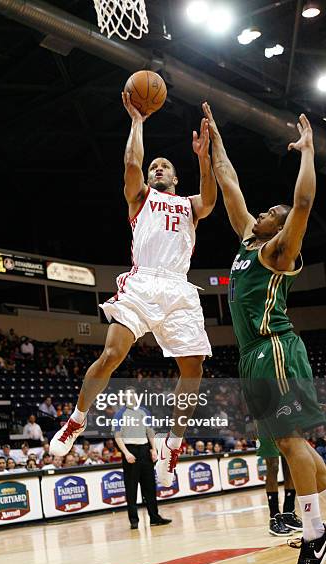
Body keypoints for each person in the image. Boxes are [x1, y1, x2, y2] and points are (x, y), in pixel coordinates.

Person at [50, 93, 217, 488]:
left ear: (174, 178)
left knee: (193, 368)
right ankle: (77, 418)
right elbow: (131, 164)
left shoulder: (190, 205)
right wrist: (138, 123)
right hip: (143, 281)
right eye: (154, 166)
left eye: (164, 167)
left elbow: (211, 197)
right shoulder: (140, 198)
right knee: (111, 353)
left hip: (178, 289)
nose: (157, 168)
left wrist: (202, 156)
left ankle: (173, 445)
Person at [205, 102, 326, 564]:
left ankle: (316, 532)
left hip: (274, 347)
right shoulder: (246, 240)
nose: (261, 212)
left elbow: (301, 205)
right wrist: (215, 139)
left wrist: (307, 153)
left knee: (289, 440)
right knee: (292, 447)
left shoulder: (281, 250)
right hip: (250, 357)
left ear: (278, 228)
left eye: (269, 213)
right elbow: (230, 184)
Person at [113, 389, 172, 529]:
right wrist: (126, 453)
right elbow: (117, 436)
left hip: (145, 450)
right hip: (130, 451)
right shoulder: (120, 414)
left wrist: (153, 449)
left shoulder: (144, 411)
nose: (131, 397)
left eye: (133, 395)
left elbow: (150, 431)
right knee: (131, 488)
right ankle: (134, 520)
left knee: (150, 487)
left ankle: (154, 517)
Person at [258, 437, 302, 536]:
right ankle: (274, 516)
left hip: (283, 425)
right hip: (265, 426)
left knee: (290, 463)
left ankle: (288, 513)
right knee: (273, 465)